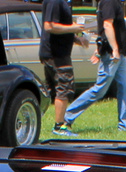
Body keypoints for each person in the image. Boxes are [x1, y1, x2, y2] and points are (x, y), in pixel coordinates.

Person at [57, 0, 126, 134]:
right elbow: (107, 25)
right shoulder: (109, 2)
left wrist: (101, 49)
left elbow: (105, 29)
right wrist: (114, 49)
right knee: (99, 90)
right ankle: (67, 117)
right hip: (112, 55)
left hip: (120, 55)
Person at [40, 0, 82, 132]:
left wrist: (76, 38)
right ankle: (59, 127)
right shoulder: (55, 1)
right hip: (56, 55)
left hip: (55, 53)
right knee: (64, 88)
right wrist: (73, 28)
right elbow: (49, 26)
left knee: (51, 91)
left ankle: (35, 121)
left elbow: (59, 26)